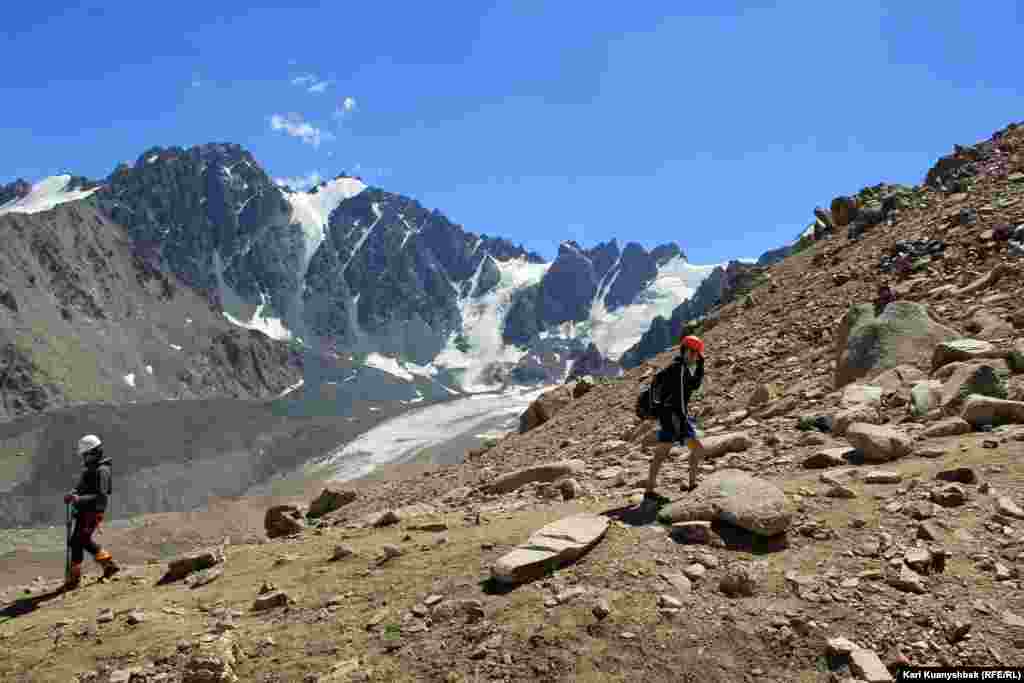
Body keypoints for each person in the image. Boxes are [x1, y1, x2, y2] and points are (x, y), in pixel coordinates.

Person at [645, 335, 705, 502]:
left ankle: (652, 490)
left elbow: (693, 385)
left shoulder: (680, 367)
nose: (694, 355)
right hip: (674, 417)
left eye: (697, 353)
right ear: (684, 350)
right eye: (692, 352)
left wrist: (700, 366)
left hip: (670, 416)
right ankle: (689, 486)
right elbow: (678, 398)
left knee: (663, 453)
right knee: (667, 452)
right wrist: (682, 420)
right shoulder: (678, 368)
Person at [63, 434, 119, 589]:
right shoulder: (91, 470)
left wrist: (78, 499)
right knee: (81, 541)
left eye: (85, 455)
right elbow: (81, 487)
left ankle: (74, 579)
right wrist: (73, 493)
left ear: (92, 453)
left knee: (77, 542)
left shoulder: (102, 471)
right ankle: (109, 565)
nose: (83, 459)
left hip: (92, 512)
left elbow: (100, 497)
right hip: (85, 511)